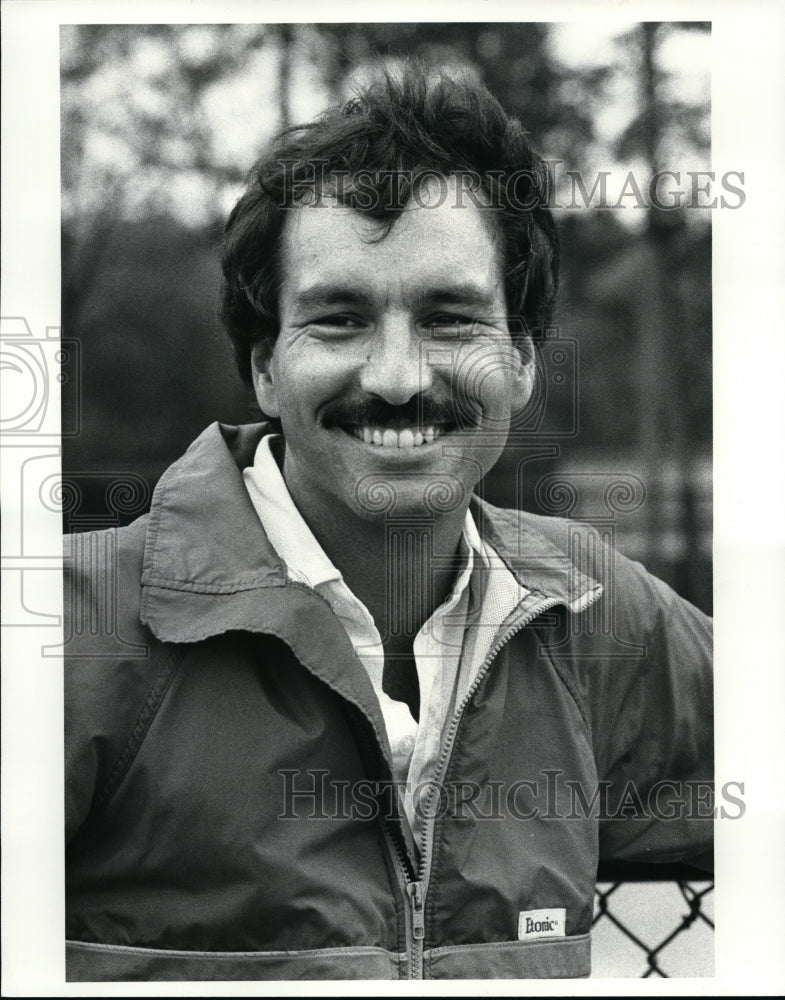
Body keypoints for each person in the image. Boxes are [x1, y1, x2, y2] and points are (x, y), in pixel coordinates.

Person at [64, 66, 713, 982]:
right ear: (263, 367)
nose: (399, 376)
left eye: (449, 318)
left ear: (521, 361)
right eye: (338, 319)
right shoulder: (71, 629)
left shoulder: (594, 612)